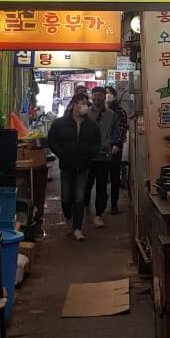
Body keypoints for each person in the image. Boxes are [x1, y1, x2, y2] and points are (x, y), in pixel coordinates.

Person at [47, 93, 101, 240]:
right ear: (74, 104)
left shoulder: (92, 125)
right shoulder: (60, 123)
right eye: (82, 103)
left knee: (79, 198)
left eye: (86, 103)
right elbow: (52, 140)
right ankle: (69, 217)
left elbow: (97, 141)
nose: (85, 106)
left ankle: (77, 228)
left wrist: (91, 153)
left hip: (83, 166)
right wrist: (61, 153)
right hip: (66, 165)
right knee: (66, 198)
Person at [85, 87, 126, 226]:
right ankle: (85, 206)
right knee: (87, 185)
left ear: (104, 97)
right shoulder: (86, 113)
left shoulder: (112, 114)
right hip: (88, 156)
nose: (97, 98)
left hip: (104, 156)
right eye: (95, 95)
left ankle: (98, 214)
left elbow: (116, 132)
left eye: (100, 95)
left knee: (102, 186)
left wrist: (115, 144)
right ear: (91, 97)